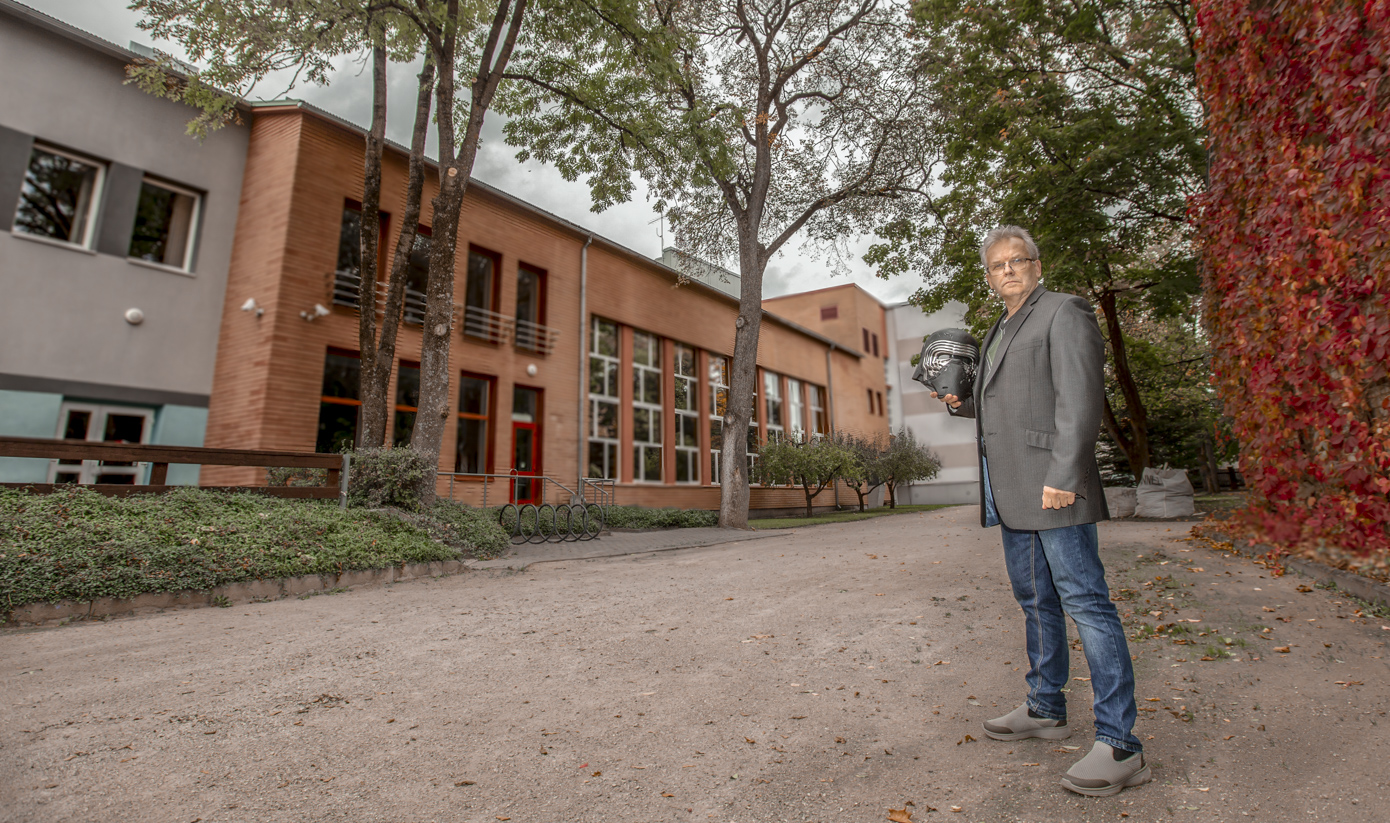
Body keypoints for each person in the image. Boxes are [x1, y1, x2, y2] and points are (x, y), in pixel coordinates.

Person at [931, 225, 1148, 797]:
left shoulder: (1063, 312)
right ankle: (1046, 707)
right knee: (1035, 601)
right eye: (997, 264)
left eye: (1017, 260)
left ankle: (1120, 743)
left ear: (1036, 264)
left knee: (1088, 605)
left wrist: (1064, 476)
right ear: (988, 275)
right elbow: (1001, 402)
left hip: (1053, 488)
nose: (1007, 270)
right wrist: (961, 401)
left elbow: (1080, 398)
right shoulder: (999, 328)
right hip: (1011, 491)